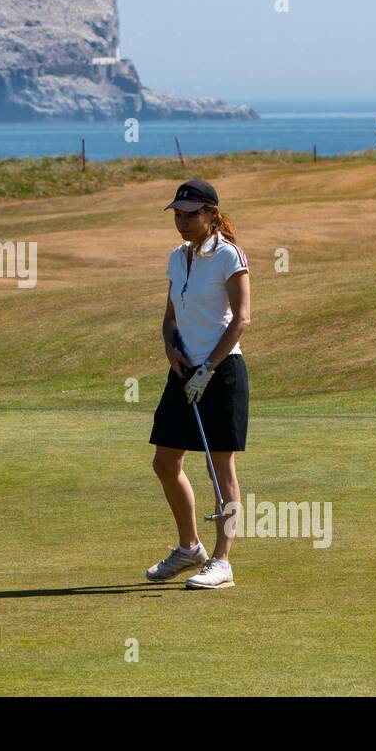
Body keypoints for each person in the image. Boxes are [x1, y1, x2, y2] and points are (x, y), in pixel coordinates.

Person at [145, 179, 250, 590]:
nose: (182, 222)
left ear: (211, 214)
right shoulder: (177, 257)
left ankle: (222, 562)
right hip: (183, 373)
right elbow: (170, 317)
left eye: (190, 214)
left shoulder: (229, 255)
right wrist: (174, 354)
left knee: (219, 467)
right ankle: (190, 548)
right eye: (177, 215)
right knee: (165, 463)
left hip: (221, 373)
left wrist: (208, 368)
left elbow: (241, 318)